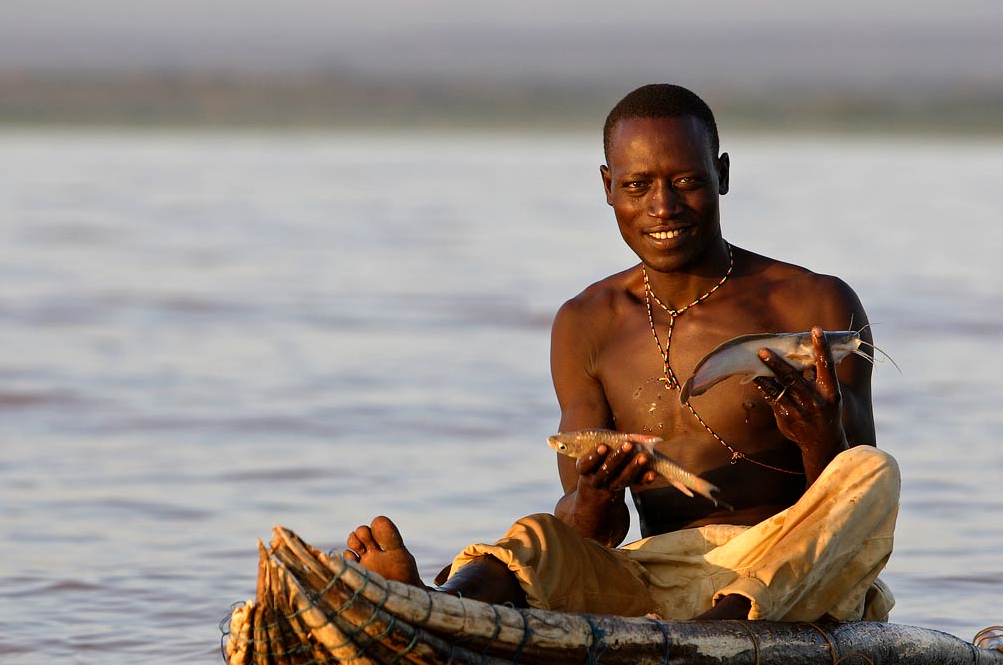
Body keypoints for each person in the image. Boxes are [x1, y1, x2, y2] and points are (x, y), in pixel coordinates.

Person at [346, 84, 897, 623]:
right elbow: (592, 532)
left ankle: (713, 636)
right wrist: (595, 496)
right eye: (638, 186)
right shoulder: (588, 321)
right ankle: (436, 608)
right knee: (538, 536)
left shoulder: (814, 301)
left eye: (686, 182)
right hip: (657, 576)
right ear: (608, 187)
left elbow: (851, 512)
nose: (663, 207)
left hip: (793, 574)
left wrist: (820, 435)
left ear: (722, 175)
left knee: (871, 471)